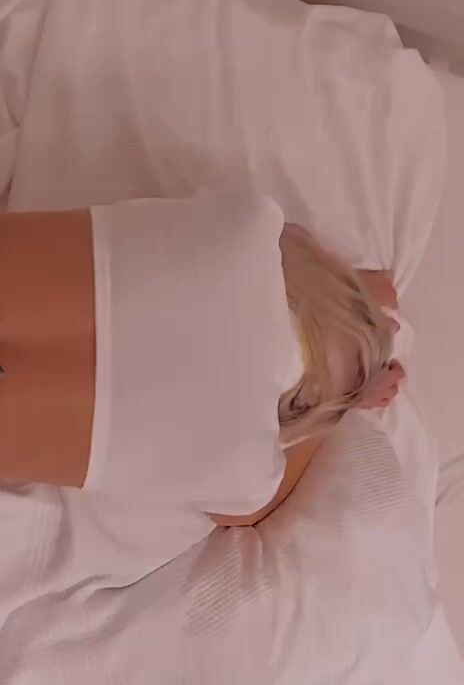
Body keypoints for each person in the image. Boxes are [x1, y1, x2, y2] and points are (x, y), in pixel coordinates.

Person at [0, 200, 403, 527]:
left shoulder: (251, 224)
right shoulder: (249, 472)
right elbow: (242, 516)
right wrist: (347, 400)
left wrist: (360, 290)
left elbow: (293, 241)